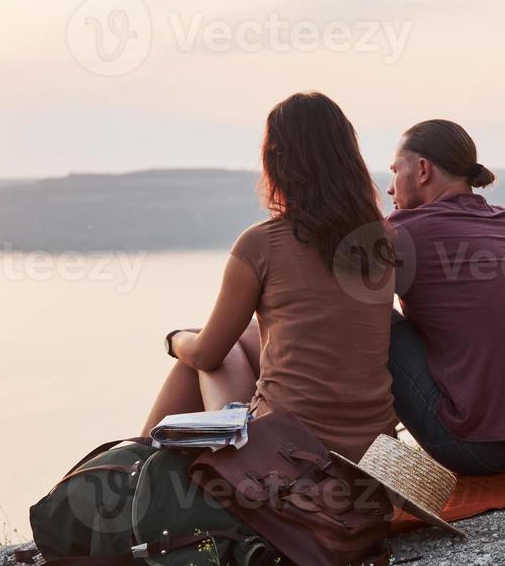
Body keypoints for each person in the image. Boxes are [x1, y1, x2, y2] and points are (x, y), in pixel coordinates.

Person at [142, 91, 397, 461]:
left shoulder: (260, 244)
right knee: (239, 339)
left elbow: (206, 353)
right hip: (372, 458)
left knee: (200, 352)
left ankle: (139, 470)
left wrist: (174, 339)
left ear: (276, 159)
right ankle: (147, 466)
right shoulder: (386, 242)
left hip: (285, 454)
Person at [385, 119, 505, 475]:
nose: (389, 188)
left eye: (395, 171)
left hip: (476, 448)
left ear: (423, 169)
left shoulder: (402, 232)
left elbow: (342, 312)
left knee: (371, 318)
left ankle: (375, 462)